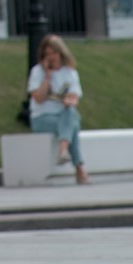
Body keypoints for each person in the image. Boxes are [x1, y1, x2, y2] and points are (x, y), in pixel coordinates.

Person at [28, 32, 88, 182]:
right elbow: (38, 99)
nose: (51, 57)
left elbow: (75, 97)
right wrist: (47, 77)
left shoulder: (70, 73)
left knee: (70, 114)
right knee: (72, 123)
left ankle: (63, 150)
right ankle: (79, 168)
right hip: (42, 118)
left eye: (54, 53)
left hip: (63, 114)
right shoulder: (37, 72)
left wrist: (69, 101)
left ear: (61, 53)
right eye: (47, 54)